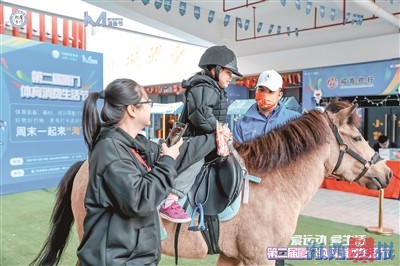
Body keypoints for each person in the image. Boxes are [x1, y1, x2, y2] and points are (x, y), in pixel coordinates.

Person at [77, 78, 183, 266]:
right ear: (132, 110)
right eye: (147, 102)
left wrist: (213, 137)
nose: (151, 107)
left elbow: (172, 154)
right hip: (115, 260)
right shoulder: (109, 149)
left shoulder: (135, 144)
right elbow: (140, 199)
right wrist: (167, 161)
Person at [159, 45, 242, 223]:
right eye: (228, 72)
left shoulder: (210, 87)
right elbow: (201, 116)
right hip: (193, 140)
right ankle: (171, 200)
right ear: (215, 69)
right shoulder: (205, 87)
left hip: (200, 137)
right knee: (197, 159)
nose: (230, 77)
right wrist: (220, 130)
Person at [233, 70, 301, 144]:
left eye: (271, 91)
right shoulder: (241, 123)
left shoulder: (295, 119)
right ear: (255, 91)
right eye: (261, 90)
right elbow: (237, 153)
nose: (265, 95)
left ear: (279, 95)